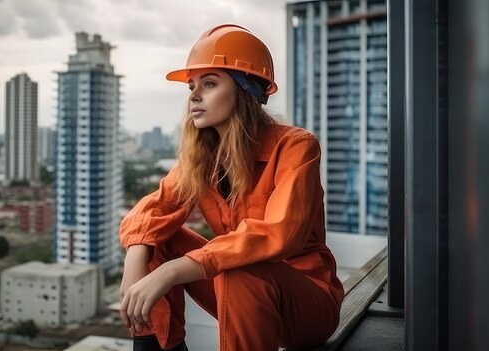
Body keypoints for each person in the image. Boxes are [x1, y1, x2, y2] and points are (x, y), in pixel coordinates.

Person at [119, 24, 344, 351]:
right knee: (156, 238)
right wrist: (136, 260)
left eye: (209, 84)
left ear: (246, 90)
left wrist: (171, 272)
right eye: (192, 86)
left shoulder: (296, 146)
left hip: (306, 305)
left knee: (240, 267)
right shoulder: (202, 158)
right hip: (237, 297)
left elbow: (278, 233)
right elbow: (155, 209)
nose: (194, 95)